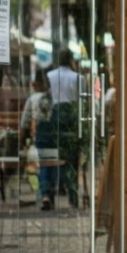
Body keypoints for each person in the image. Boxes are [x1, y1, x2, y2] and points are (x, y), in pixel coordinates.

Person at [39, 50, 83, 210]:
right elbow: (79, 99)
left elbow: (47, 98)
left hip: (55, 117)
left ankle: (49, 195)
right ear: (70, 60)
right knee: (71, 160)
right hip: (71, 117)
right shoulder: (76, 77)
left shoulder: (50, 75)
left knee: (52, 157)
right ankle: (73, 196)